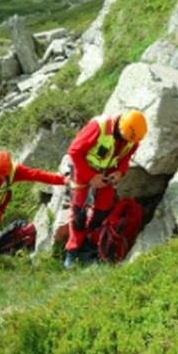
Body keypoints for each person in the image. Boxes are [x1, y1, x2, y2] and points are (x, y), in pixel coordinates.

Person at [64, 111, 147, 268]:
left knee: (103, 209)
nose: (131, 142)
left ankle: (89, 243)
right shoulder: (98, 127)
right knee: (78, 212)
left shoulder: (132, 138)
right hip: (83, 167)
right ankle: (72, 250)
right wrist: (90, 177)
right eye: (127, 138)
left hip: (107, 171)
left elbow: (125, 158)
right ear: (121, 128)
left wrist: (119, 172)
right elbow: (74, 152)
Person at [0, 149, 68, 267]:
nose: (4, 178)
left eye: (5, 175)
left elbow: (37, 175)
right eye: (0, 175)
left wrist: (63, 180)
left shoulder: (13, 171)